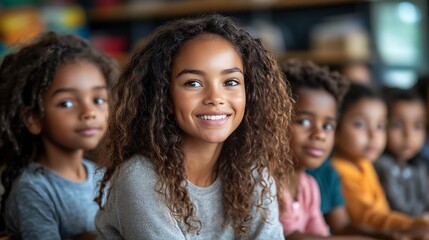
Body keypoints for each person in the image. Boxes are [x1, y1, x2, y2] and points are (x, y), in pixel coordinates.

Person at [95, 14, 293, 239]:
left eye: (231, 82)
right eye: (193, 83)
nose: (215, 98)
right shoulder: (140, 178)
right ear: (163, 96)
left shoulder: (253, 173)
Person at [0, 32, 117, 239]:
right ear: (33, 119)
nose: (89, 112)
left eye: (98, 99)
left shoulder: (102, 177)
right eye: (67, 103)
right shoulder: (32, 189)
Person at [332, 83, 429, 233]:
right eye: (360, 124)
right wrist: (411, 224)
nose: (373, 135)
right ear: (335, 127)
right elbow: (366, 216)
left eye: (380, 126)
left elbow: (381, 210)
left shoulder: (364, 163)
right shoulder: (338, 169)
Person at [279, 59, 348, 239]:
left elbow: (320, 235)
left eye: (327, 126)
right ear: (275, 122)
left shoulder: (309, 187)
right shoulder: (267, 184)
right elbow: (291, 237)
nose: (319, 134)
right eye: (304, 121)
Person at [375, 88, 429, 216]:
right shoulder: (382, 166)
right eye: (397, 125)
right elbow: (398, 208)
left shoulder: (419, 167)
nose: (408, 134)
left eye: (417, 126)